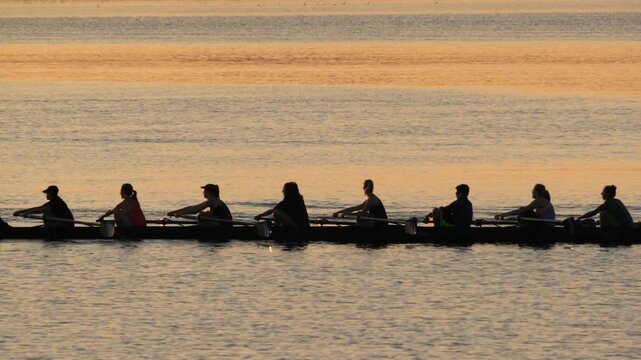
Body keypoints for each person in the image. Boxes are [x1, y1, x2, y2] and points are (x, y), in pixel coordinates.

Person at [167, 184, 232, 228]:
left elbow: (195, 211)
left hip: (224, 225)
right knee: (204, 215)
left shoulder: (213, 201)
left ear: (209, 192)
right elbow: (192, 208)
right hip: (222, 223)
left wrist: (179, 213)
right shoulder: (212, 200)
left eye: (204, 191)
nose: (203, 193)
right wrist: (175, 212)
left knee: (202, 215)